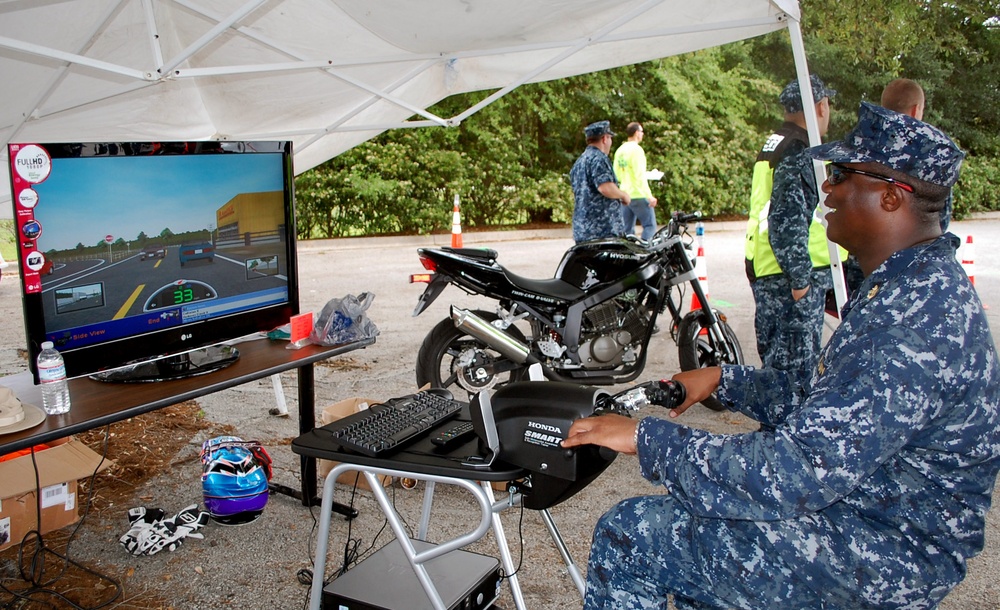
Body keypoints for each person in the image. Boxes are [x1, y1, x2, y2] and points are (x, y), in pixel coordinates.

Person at [562, 101, 1000, 610]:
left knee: (633, 533)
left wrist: (646, 438)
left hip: (889, 545)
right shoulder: (909, 286)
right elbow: (827, 407)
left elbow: (792, 472)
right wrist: (727, 379)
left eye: (842, 174)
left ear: (889, 196)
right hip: (870, 507)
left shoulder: (913, 321)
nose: (828, 188)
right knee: (705, 536)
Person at [744, 74, 845, 372]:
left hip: (770, 267)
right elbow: (787, 218)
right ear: (821, 106)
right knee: (793, 379)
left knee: (779, 371)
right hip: (790, 277)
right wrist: (800, 280)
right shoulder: (799, 149)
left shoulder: (777, 142)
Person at [880, 77, 952, 233]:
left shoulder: (861, 141)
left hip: (867, 251)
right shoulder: (935, 150)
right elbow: (940, 219)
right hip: (915, 251)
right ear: (916, 110)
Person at [571, 120, 631, 243]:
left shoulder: (579, 162)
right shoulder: (599, 159)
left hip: (582, 231)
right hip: (603, 231)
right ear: (604, 138)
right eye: (610, 138)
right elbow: (605, 187)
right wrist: (623, 195)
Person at [613, 122, 658, 240]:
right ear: (637, 133)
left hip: (624, 194)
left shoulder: (620, 150)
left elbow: (616, 174)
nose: (642, 134)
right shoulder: (637, 150)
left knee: (627, 230)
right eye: (641, 132)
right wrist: (649, 196)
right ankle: (645, 253)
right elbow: (639, 175)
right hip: (638, 193)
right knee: (650, 226)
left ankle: (628, 254)